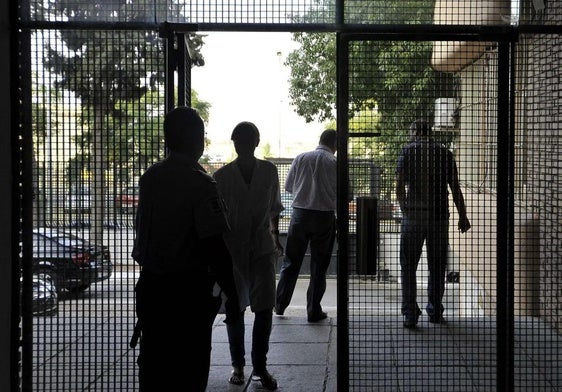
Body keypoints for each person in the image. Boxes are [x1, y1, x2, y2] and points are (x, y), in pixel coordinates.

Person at [130, 106, 241, 391]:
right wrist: (232, 293)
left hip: (153, 289)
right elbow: (215, 245)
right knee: (189, 371)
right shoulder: (200, 183)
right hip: (187, 295)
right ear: (197, 140)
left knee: (154, 368)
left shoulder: (150, 178)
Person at [213, 121, 283, 391]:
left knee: (264, 307)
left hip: (262, 247)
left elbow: (274, 208)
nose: (243, 144)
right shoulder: (221, 177)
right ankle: (238, 365)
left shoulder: (269, 171)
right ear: (234, 143)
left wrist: (275, 238)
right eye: (240, 140)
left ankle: (259, 366)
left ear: (256, 142)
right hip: (233, 249)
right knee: (234, 308)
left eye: (248, 139)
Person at [395, 119, 471, 329]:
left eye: (411, 132)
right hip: (439, 218)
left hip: (414, 217)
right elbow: (455, 187)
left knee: (408, 266)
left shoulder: (408, 151)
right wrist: (462, 215)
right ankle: (435, 310)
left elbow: (399, 184)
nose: (410, 136)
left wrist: (405, 209)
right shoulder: (445, 153)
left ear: (418, 132)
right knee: (437, 266)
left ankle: (410, 314)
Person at [275, 129, 337, 322]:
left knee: (290, 262)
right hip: (325, 218)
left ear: (320, 140)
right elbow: (345, 192)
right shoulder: (335, 163)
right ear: (335, 145)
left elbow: (289, 186)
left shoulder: (301, 158)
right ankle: (313, 310)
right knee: (319, 266)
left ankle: (279, 305)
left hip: (300, 215)